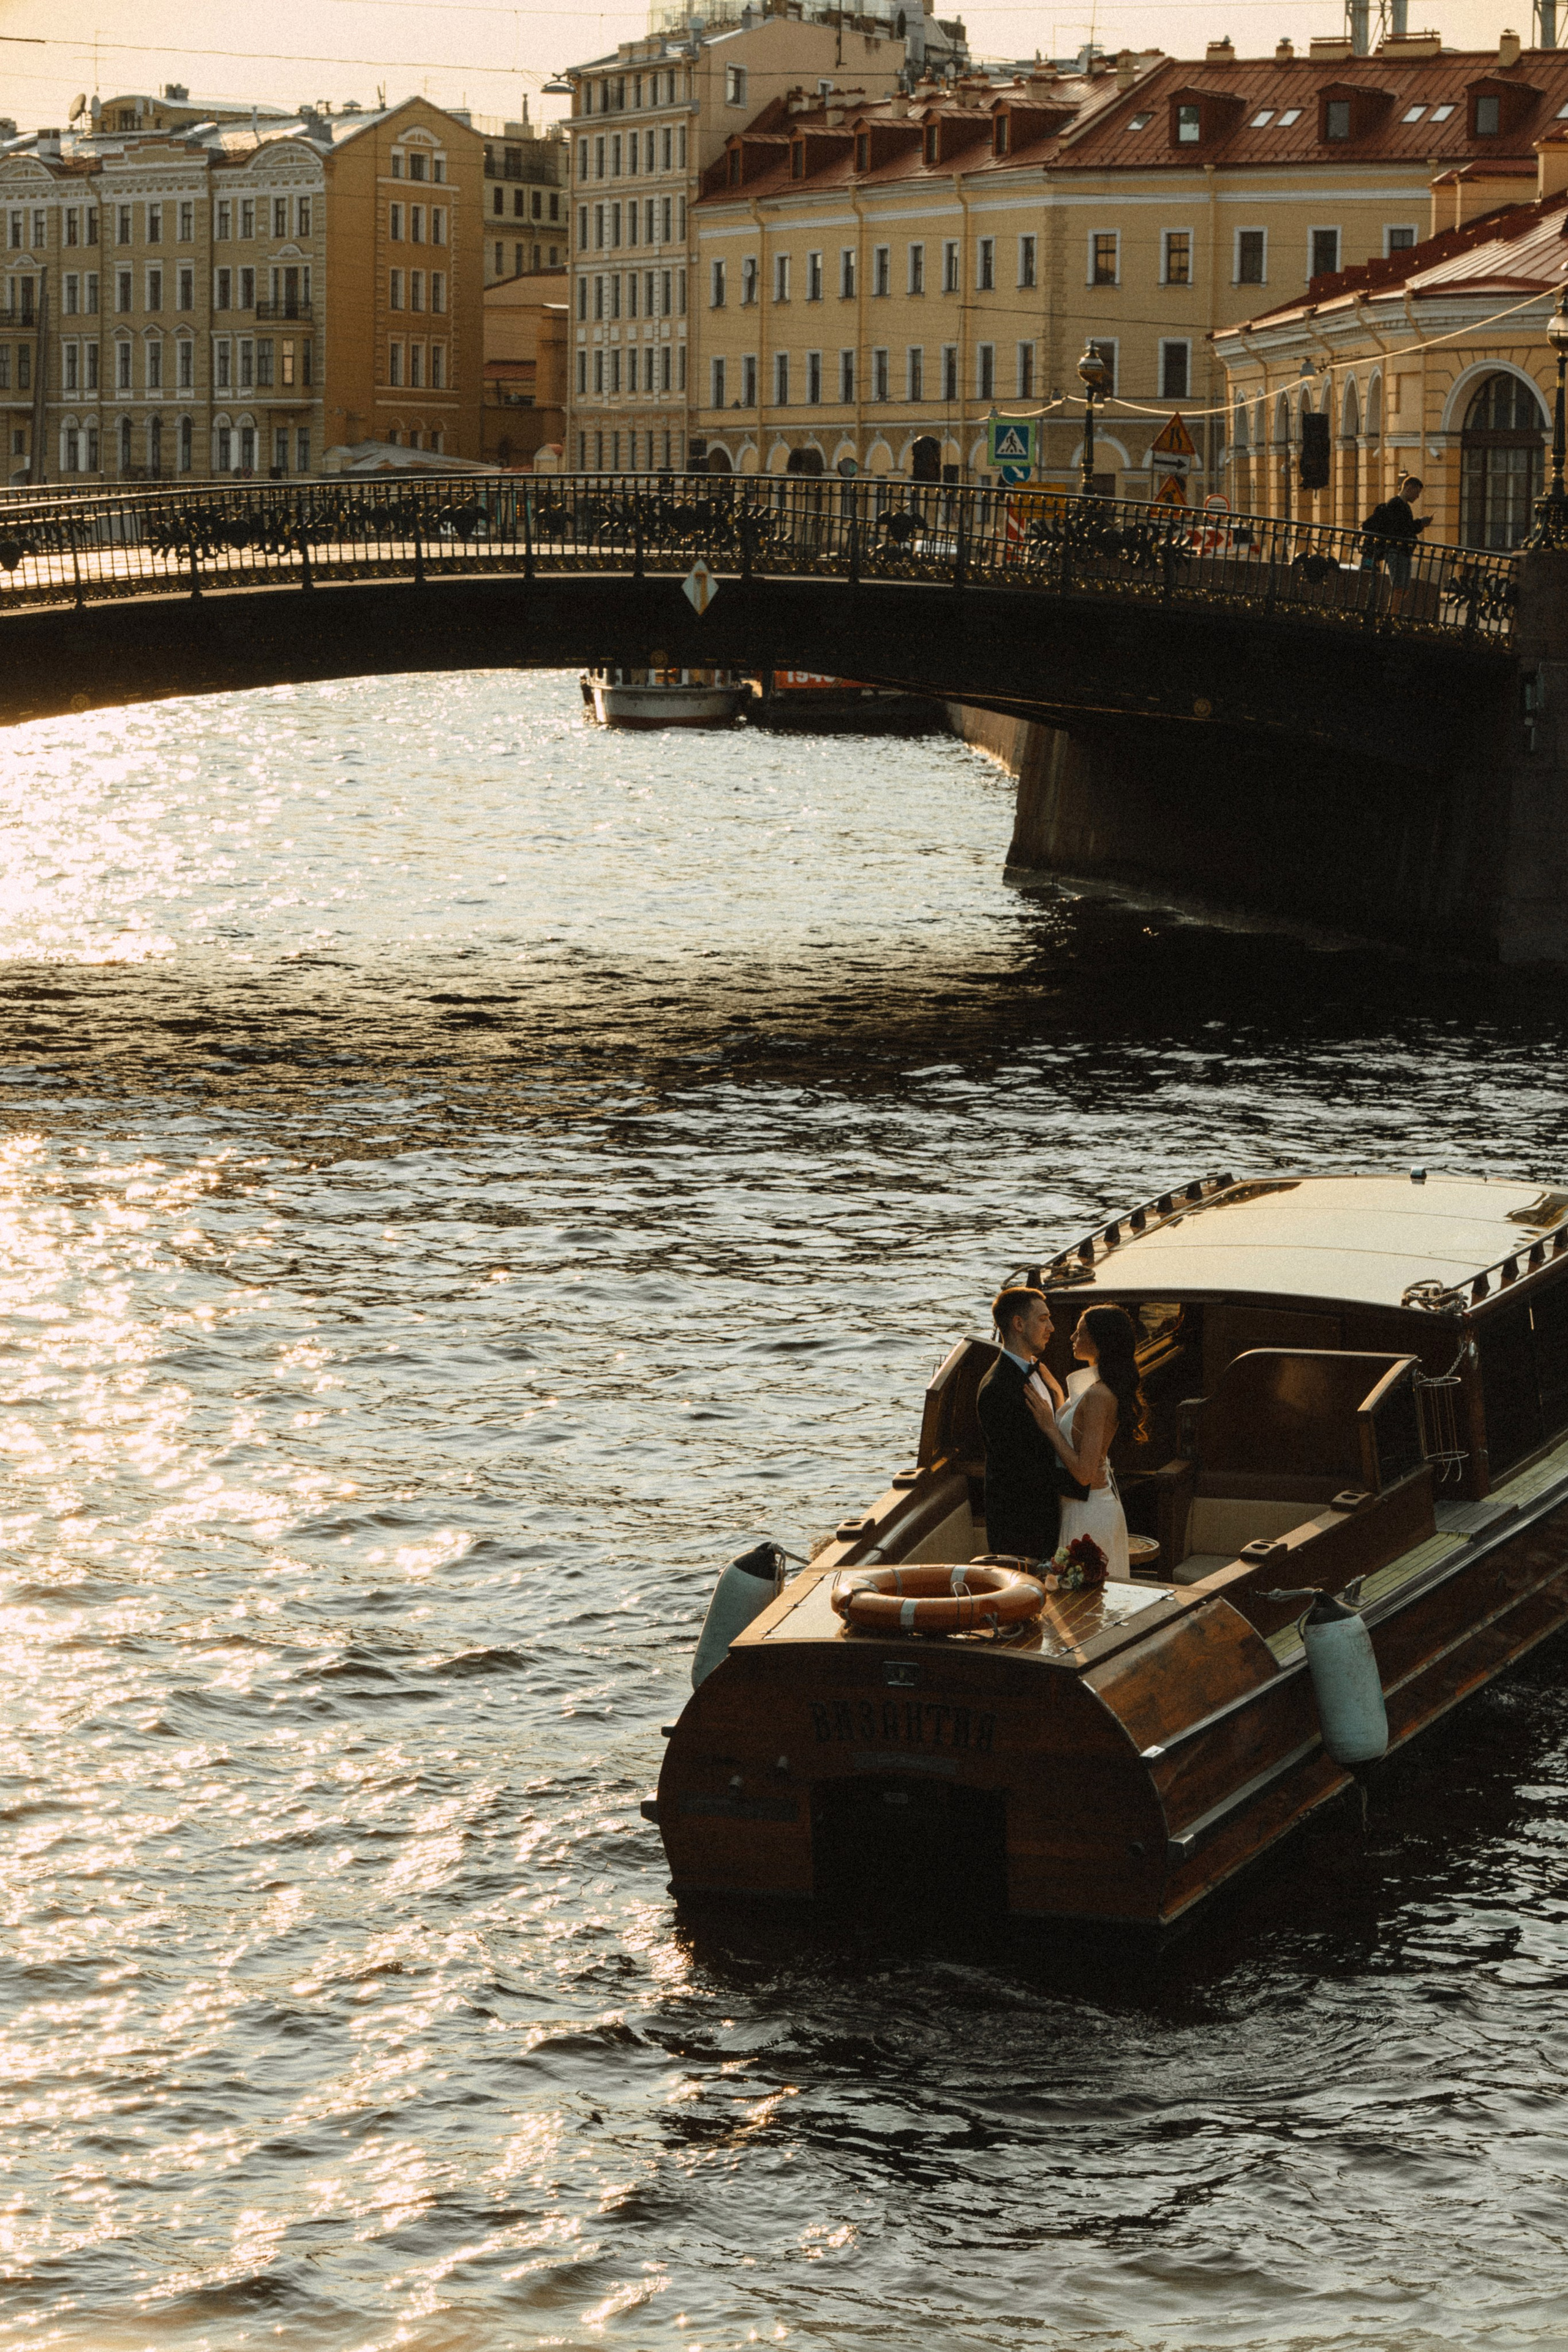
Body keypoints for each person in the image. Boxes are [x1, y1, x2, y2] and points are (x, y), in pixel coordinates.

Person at [1023, 1305, 1145, 1582]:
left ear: (1099, 1341)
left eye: (1079, 1333)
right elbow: (1078, 1431)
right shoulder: (1094, 1388)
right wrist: (1056, 1392)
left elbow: (1084, 1473)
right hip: (1082, 1506)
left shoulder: (1100, 1395)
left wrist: (1050, 1428)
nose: (1071, 1339)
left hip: (1089, 1512)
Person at [974, 1284, 1085, 1563]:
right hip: (1021, 1527)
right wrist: (1085, 1483)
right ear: (1019, 1324)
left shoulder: (1039, 1373)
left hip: (1046, 1517)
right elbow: (1021, 1468)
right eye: (1043, 1319)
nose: (1051, 1328)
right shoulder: (997, 1388)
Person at [1360, 477, 1431, 589]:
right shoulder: (1395, 504)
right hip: (1396, 552)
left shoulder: (1404, 506)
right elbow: (1401, 530)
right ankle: (1394, 607)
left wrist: (1420, 524)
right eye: (1416, 492)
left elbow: (1406, 528)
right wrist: (1420, 522)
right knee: (1398, 587)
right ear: (1408, 487)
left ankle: (1396, 606)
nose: (1417, 497)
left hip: (1403, 552)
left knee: (1403, 588)